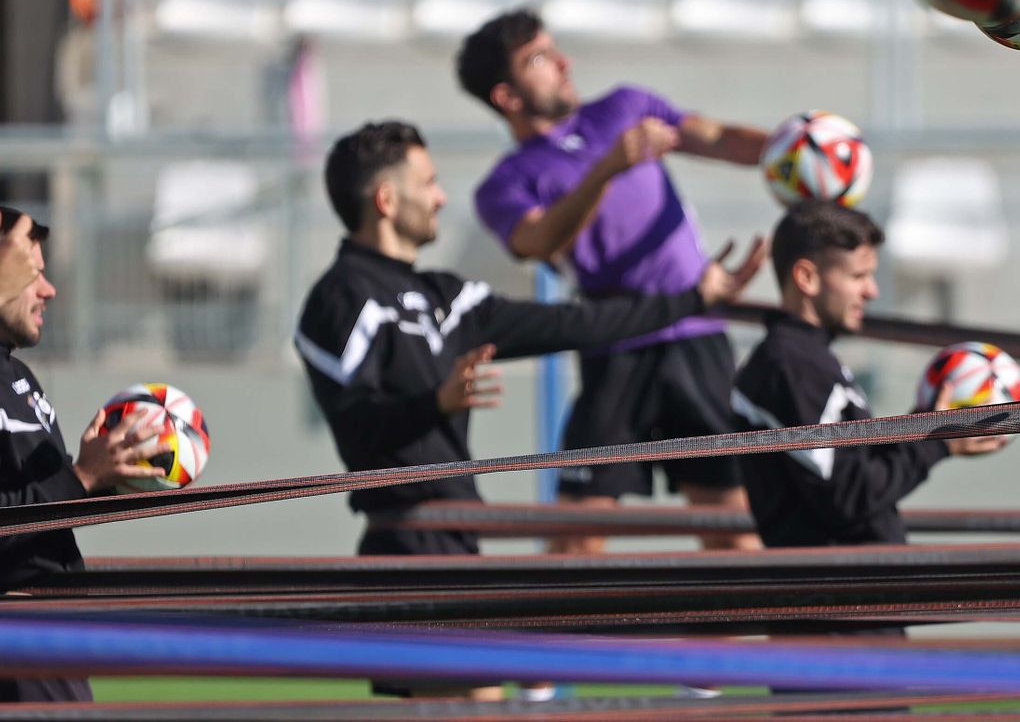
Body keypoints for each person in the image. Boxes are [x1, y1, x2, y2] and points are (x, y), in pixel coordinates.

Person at [293, 121, 763, 698]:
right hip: (404, 538)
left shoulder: (450, 297)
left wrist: (694, 300)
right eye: (430, 182)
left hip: (459, 539)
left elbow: (580, 323)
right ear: (387, 200)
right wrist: (433, 404)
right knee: (473, 701)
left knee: (479, 701)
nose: (442, 196)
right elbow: (355, 429)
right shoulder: (340, 297)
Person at [459, 9, 769, 555]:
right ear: (507, 96)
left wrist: (797, 146)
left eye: (556, 49)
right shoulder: (505, 183)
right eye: (539, 58)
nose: (562, 63)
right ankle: (574, 644)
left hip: (694, 335)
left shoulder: (625, 105)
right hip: (615, 346)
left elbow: (718, 138)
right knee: (575, 538)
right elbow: (540, 243)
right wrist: (607, 169)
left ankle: (728, 644)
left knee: (733, 533)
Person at [0, 204, 168, 705]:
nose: (49, 290)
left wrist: (112, 473)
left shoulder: (16, 376)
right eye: (33, 275)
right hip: (12, 638)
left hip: (47, 631)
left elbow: (45, 508)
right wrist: (80, 478)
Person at [732, 200, 1005, 561]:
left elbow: (853, 470)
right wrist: (937, 443)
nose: (871, 292)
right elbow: (849, 496)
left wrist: (924, 427)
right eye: (858, 277)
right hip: (840, 605)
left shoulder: (805, 360)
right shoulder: (792, 367)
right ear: (807, 278)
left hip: (853, 596)